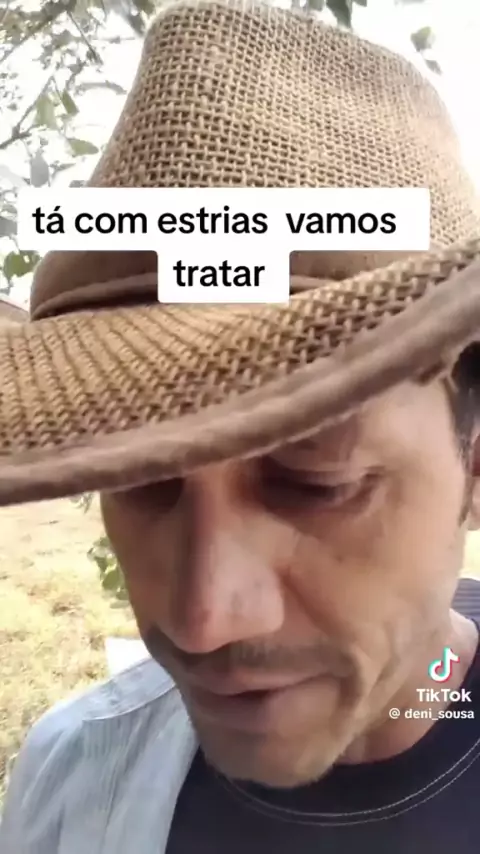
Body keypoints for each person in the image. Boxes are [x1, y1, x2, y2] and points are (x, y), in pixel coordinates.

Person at [1, 0, 480, 851]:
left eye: (317, 482)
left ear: (474, 467)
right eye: (136, 478)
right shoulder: (69, 782)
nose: (200, 621)